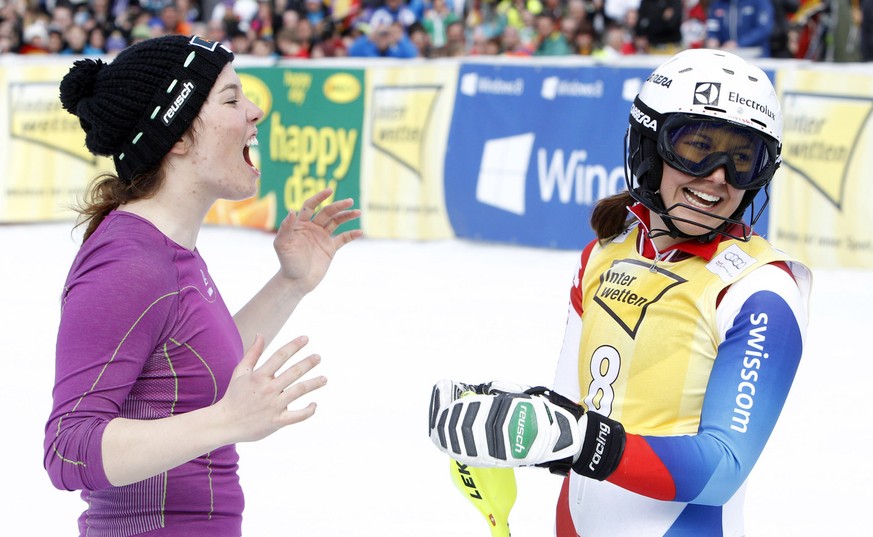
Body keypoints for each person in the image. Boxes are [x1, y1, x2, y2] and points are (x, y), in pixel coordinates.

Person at [428, 48, 812, 536]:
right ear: (650, 148)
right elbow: (571, 414)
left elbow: (721, 469)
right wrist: (499, 418)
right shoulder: (602, 255)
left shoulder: (761, 289)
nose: (718, 177)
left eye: (742, 159)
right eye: (696, 148)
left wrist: (575, 439)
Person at [44, 34, 362, 536]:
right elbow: (69, 449)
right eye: (232, 100)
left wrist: (289, 284)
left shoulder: (169, 249)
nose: (255, 111)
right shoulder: (129, 265)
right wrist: (227, 423)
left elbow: (195, 370)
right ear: (176, 136)